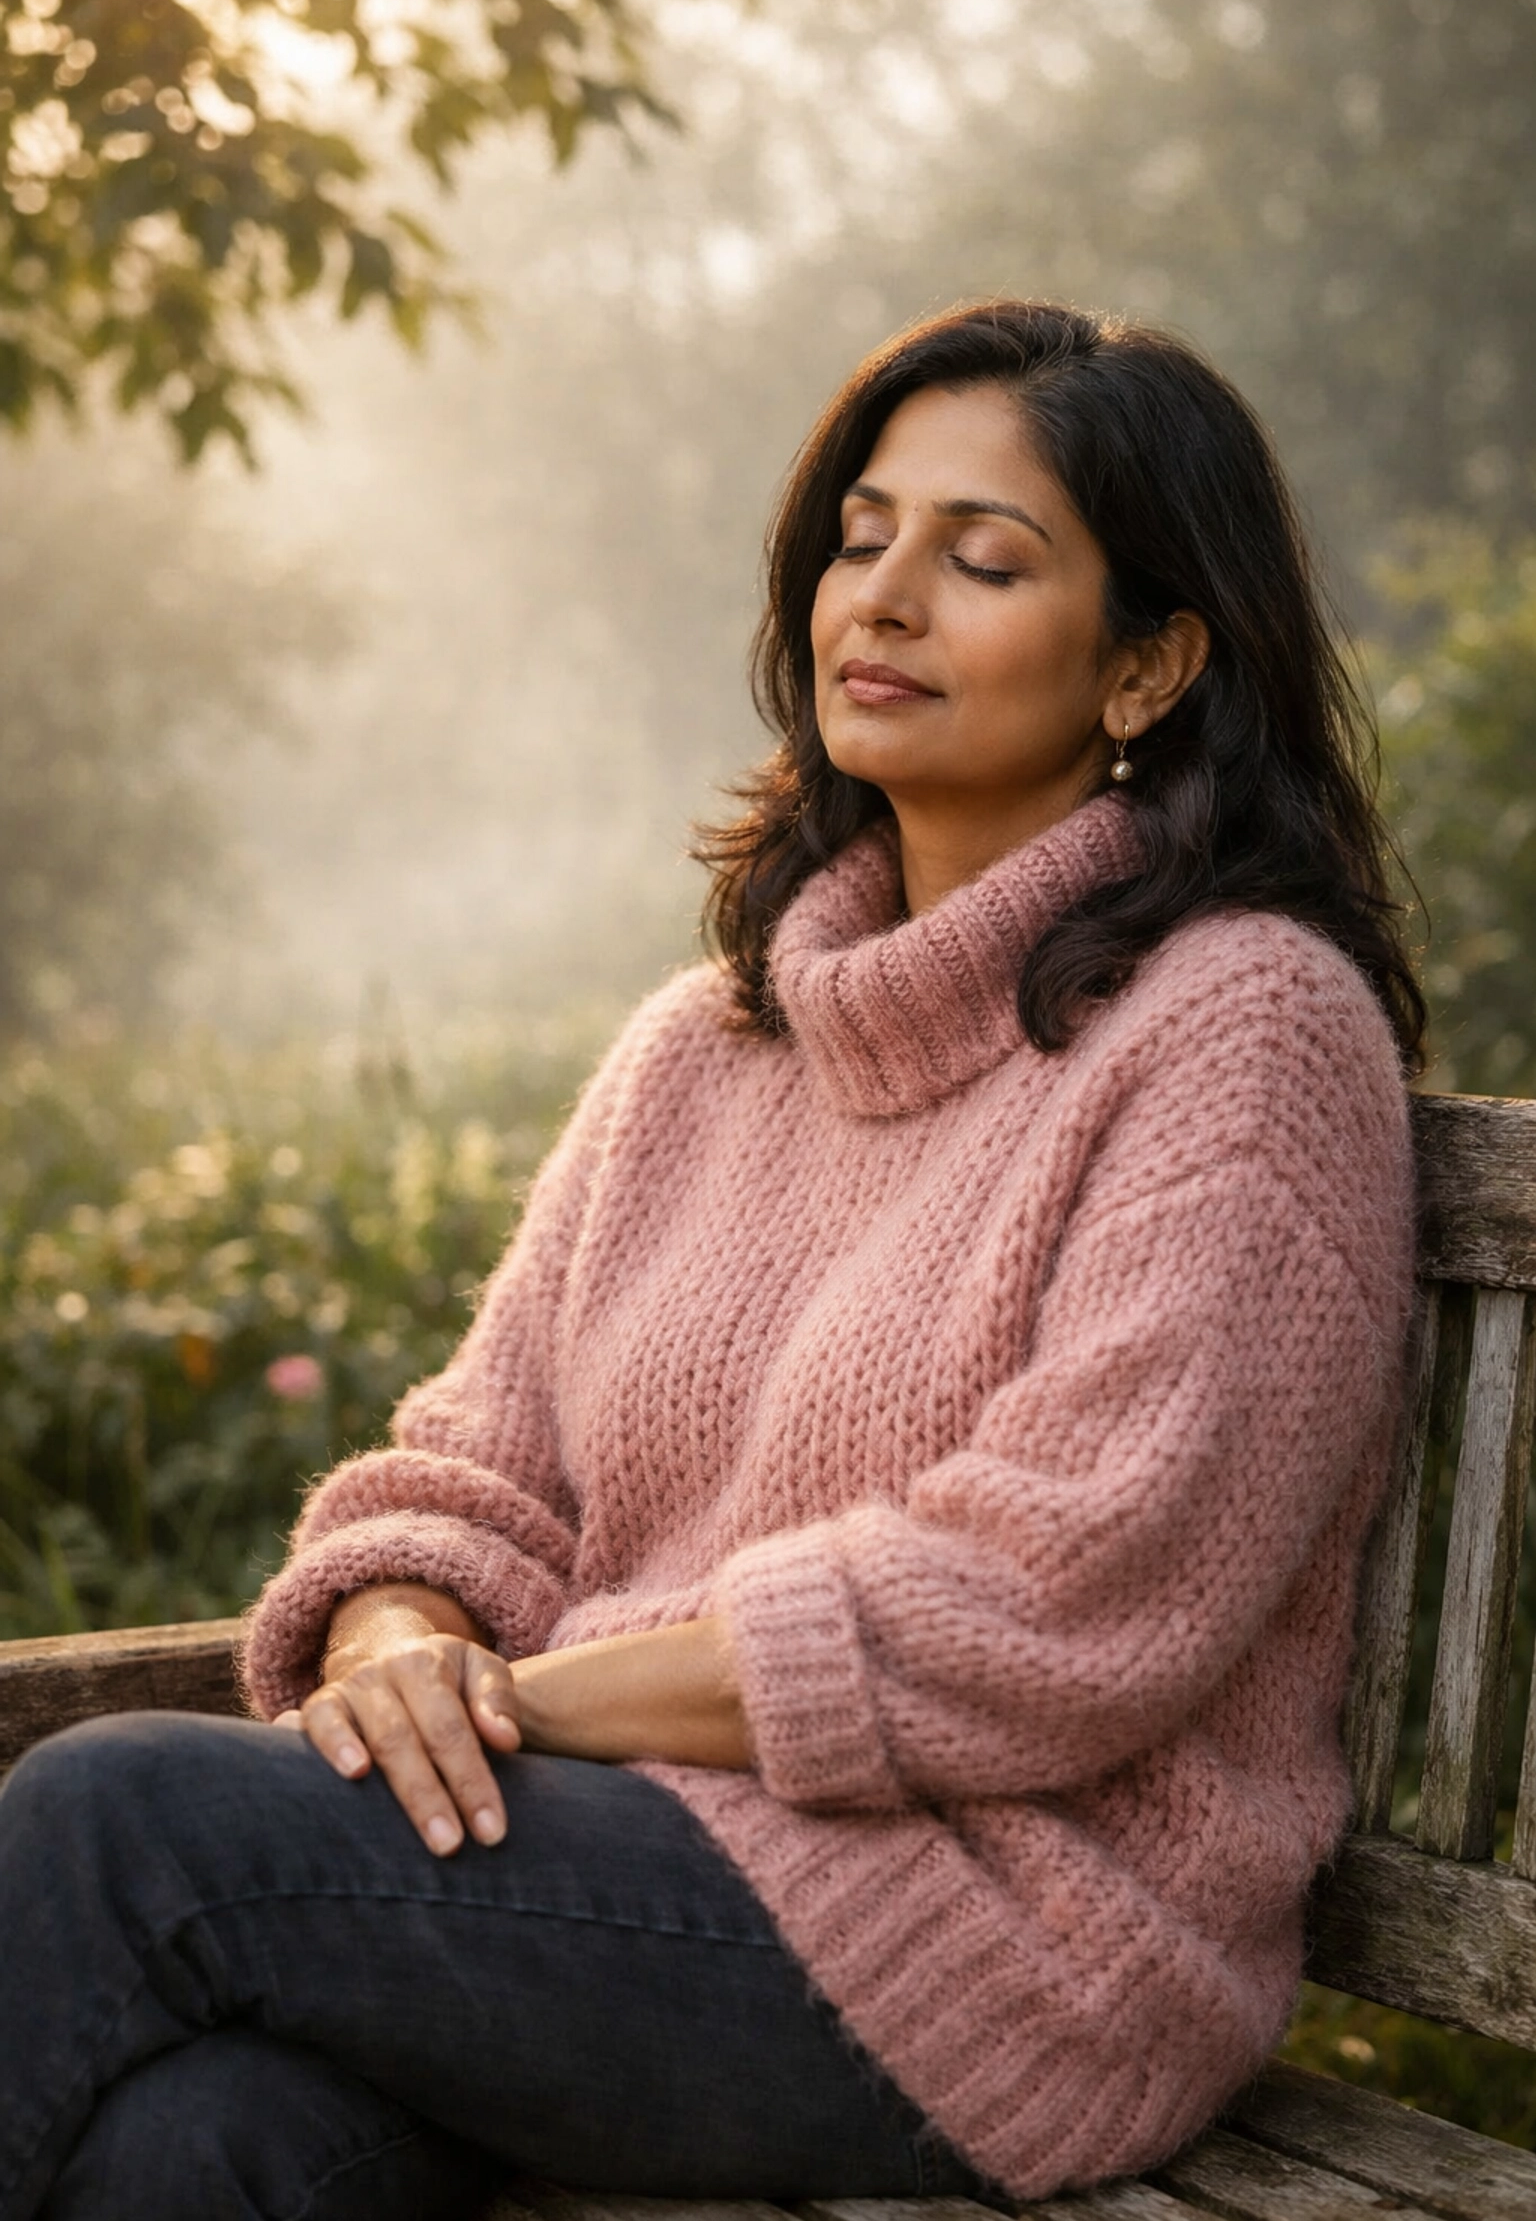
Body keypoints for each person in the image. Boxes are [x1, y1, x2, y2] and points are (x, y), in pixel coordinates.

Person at [0, 300, 1421, 2221]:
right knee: (206, 2148)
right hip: (607, 1868)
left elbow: (1064, 1597)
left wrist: (531, 1697)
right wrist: (403, 1632)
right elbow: (467, 1467)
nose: (886, 599)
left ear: (1152, 665)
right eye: (859, 538)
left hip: (994, 1954)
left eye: (982, 560)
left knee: (113, 1822)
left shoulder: (1245, 1028)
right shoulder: (710, 1045)